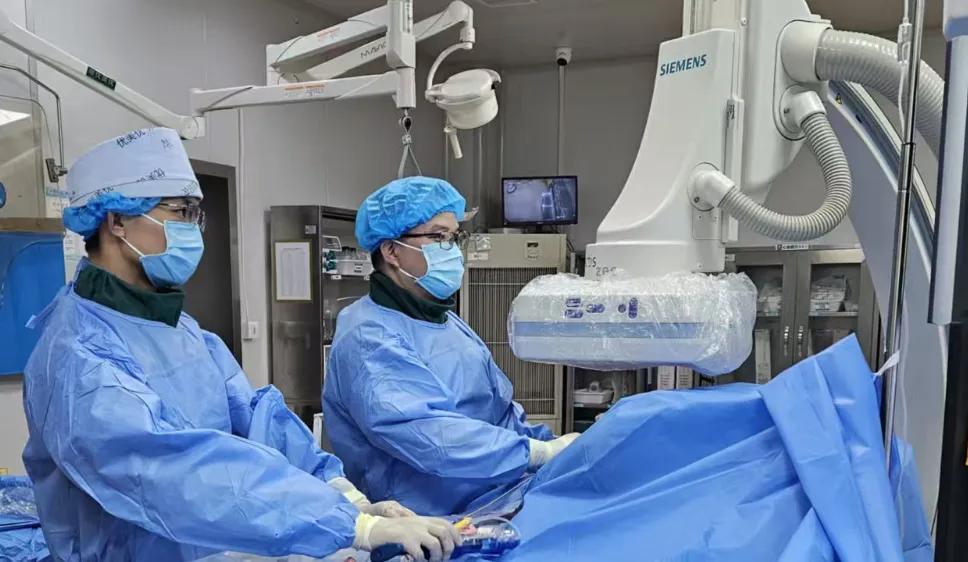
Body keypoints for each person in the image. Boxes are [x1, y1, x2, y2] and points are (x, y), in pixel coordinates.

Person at [21, 128, 459, 562]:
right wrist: (350, 526)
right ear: (117, 221)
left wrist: (344, 495)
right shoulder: (77, 356)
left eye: (196, 213)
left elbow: (259, 420)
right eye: (181, 212)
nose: (194, 230)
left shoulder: (181, 330)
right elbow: (173, 473)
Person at [323, 176, 580, 516]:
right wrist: (534, 453)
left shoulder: (444, 321)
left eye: (455, 237)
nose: (453, 250)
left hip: (500, 497)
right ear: (391, 251)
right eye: (438, 237)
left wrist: (551, 445)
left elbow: (497, 412)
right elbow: (431, 437)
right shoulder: (367, 337)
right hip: (431, 523)